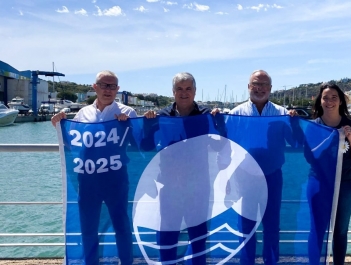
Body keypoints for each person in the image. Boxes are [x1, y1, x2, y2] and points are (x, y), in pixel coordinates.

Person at [51, 70, 136, 265]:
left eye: (112, 86)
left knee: (122, 226)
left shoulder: (127, 112)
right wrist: (57, 126)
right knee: (88, 228)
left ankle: (127, 262)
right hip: (88, 180)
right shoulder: (83, 113)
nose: (108, 89)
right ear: (95, 87)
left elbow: (138, 144)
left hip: (116, 179)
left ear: (118, 89)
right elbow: (72, 143)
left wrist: (128, 126)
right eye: (104, 85)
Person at [143, 72, 226, 264]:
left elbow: (218, 146)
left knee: (198, 237)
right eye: (179, 89)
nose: (184, 93)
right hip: (169, 187)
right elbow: (146, 146)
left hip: (199, 187)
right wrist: (148, 126)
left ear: (195, 91)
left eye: (188, 88)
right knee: (167, 236)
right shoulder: (161, 116)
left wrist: (219, 123)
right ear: (173, 92)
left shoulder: (206, 116)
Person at [227, 70, 298, 265]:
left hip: (273, 176)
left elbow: (295, 142)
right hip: (245, 177)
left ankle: (271, 262)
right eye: (256, 84)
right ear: (249, 87)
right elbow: (224, 144)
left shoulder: (282, 113)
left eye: (264, 84)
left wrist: (295, 123)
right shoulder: (235, 113)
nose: (260, 88)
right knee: (246, 227)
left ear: (270, 88)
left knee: (272, 226)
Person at [308, 82, 351, 265]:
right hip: (319, 184)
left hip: (346, 185)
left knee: (341, 231)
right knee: (317, 229)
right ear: (320, 101)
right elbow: (307, 157)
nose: (330, 101)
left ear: (340, 101)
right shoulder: (313, 127)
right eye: (326, 97)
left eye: (334, 97)